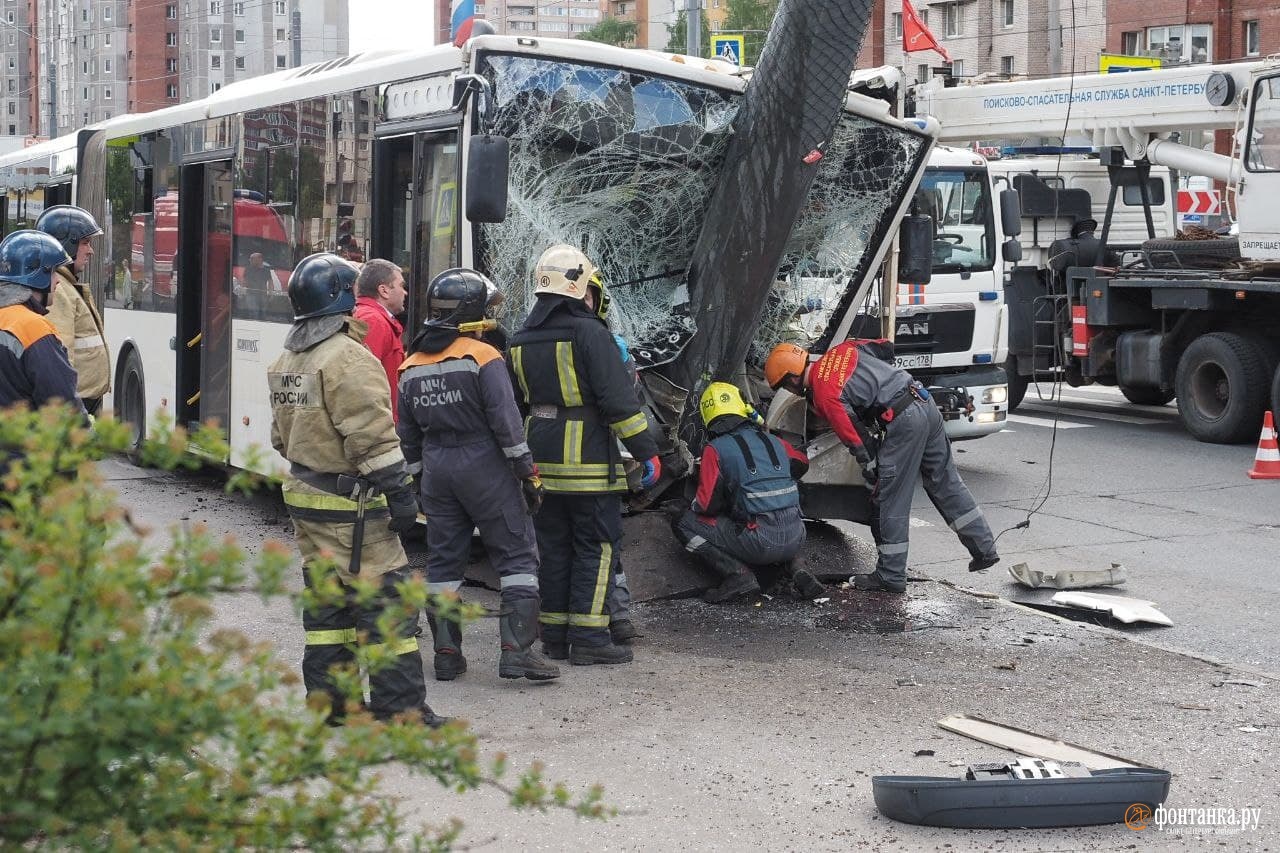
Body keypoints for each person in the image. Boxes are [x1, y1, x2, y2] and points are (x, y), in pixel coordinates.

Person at [267, 252, 446, 727]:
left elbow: (280, 439)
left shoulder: (287, 359)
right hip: (353, 507)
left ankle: (334, 705)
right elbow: (372, 438)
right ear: (345, 298)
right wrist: (403, 498)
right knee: (387, 606)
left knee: (329, 611)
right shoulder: (348, 358)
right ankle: (400, 709)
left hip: (305, 497)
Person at [397, 267, 560, 683]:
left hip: (437, 471)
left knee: (444, 564)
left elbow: (407, 436)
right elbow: (506, 423)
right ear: (470, 310)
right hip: (484, 466)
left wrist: (418, 482)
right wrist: (527, 473)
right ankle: (517, 654)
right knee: (518, 557)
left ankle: (447, 655)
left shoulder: (410, 364)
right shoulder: (483, 356)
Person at [507, 245, 660, 665]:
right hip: (589, 461)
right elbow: (618, 400)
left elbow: (515, 403)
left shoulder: (519, 338)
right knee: (596, 546)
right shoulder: (591, 333)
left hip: (539, 458)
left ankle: (554, 635)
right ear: (579, 290)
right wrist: (647, 451)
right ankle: (590, 639)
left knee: (553, 547)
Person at [763, 339, 999, 594]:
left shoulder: (823, 391)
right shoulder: (843, 350)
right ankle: (984, 548)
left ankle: (890, 575)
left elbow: (853, 435)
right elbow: (884, 347)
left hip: (903, 421)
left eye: (785, 386)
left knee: (889, 496)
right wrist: (878, 382)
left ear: (791, 380)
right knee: (945, 480)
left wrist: (873, 465)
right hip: (922, 400)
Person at [671, 382, 821, 602]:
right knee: (780, 512)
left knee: (683, 522)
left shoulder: (715, 449)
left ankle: (738, 576)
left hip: (759, 543)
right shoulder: (775, 441)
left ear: (708, 417)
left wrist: (688, 505)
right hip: (796, 536)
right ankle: (798, 566)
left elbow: (706, 505)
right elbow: (801, 463)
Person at [36, 206, 110, 417]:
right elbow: (61, 358)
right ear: (66, 245)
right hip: (75, 407)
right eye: (85, 243)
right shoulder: (58, 291)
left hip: (80, 403)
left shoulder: (65, 286)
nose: (91, 250)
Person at [0, 230, 83, 416]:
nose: (58, 281)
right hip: (25, 442)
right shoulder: (33, 328)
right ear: (37, 275)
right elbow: (63, 405)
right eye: (54, 272)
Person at [352, 259, 408, 421]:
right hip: (378, 426)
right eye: (401, 286)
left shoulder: (370, 317)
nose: (405, 293)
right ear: (384, 290)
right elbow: (365, 384)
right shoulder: (373, 321)